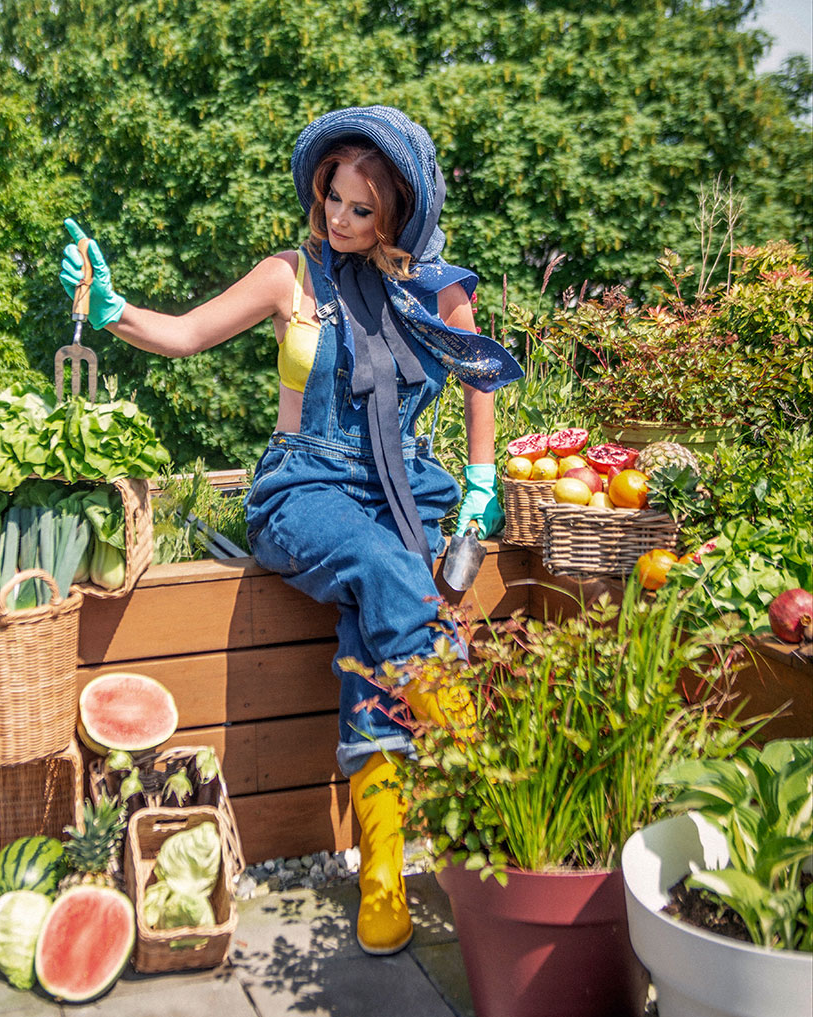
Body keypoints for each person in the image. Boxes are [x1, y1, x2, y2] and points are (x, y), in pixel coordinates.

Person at [60, 105, 522, 956]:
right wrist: (110, 304)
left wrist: (482, 478)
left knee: (373, 612)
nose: (340, 221)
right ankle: (470, 742)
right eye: (333, 200)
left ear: (399, 215)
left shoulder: (441, 286)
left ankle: (381, 860)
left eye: (361, 210)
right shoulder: (291, 275)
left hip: (408, 484)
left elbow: (479, 374)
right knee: (391, 574)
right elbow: (187, 334)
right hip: (304, 483)